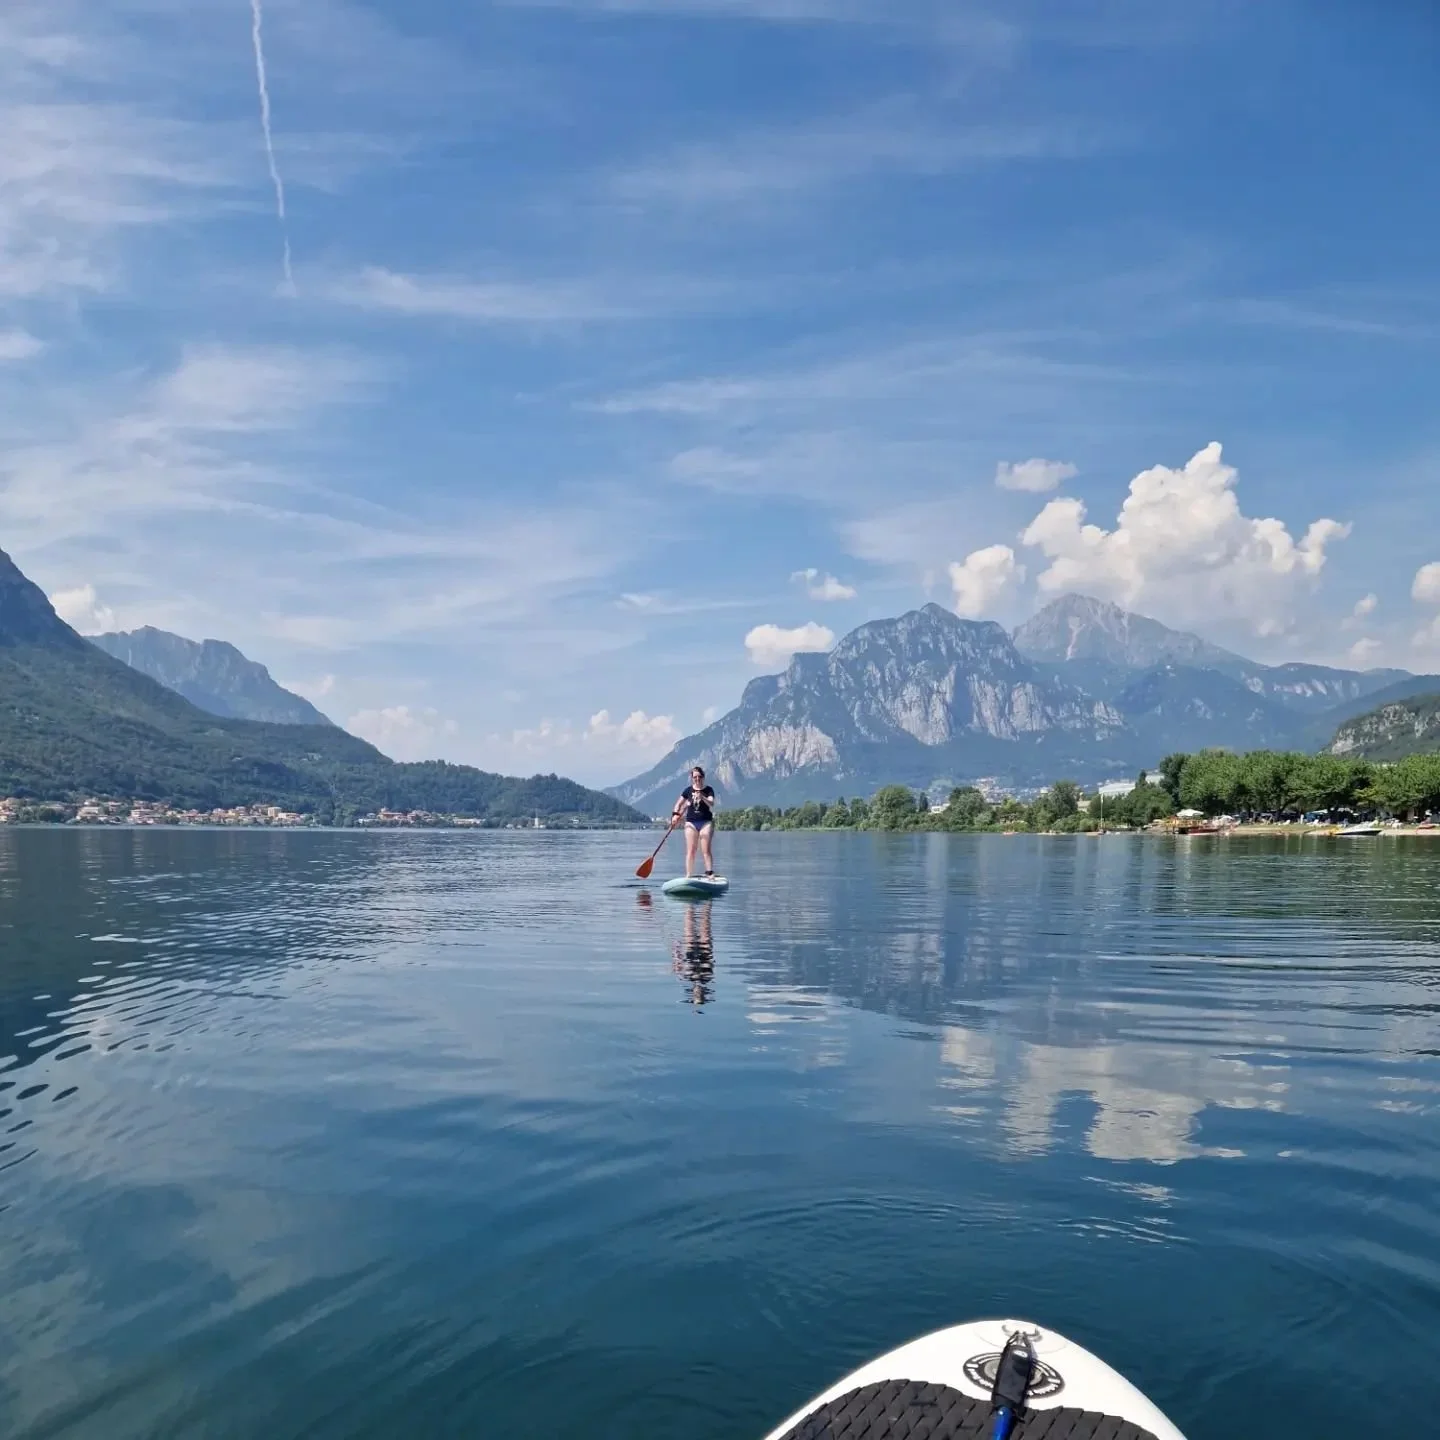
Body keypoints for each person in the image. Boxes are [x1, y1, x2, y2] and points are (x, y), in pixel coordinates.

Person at [673, 765, 717, 878]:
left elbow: (711, 803)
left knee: (705, 849)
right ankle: (688, 875)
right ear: (692, 778)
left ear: (703, 777)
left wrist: (702, 797)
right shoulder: (688, 790)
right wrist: (675, 815)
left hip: (705, 822)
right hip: (691, 823)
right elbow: (678, 804)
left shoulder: (709, 790)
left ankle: (709, 872)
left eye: (699, 777)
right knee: (691, 850)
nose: (697, 779)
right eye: (695, 777)